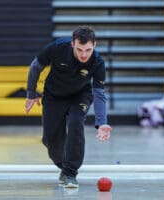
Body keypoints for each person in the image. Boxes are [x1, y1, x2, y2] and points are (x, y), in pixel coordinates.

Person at [25, 25, 112, 188]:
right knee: (50, 140)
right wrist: (31, 93)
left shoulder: (98, 62)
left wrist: (102, 122)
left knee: (75, 122)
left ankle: (70, 173)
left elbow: (99, 93)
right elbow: (35, 67)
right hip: (53, 96)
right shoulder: (57, 48)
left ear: (95, 45)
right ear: (73, 44)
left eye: (88, 50)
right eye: (79, 49)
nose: (84, 55)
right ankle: (63, 165)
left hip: (80, 96)